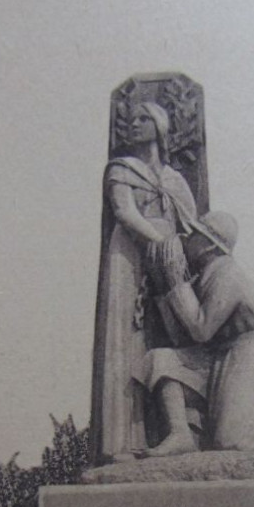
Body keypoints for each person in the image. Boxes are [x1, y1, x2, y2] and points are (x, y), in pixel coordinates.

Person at [141, 211, 254, 457]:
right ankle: (180, 434)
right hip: (215, 354)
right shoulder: (204, 275)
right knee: (160, 360)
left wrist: (176, 282)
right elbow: (180, 338)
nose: (187, 238)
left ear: (208, 244)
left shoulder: (228, 275)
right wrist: (163, 285)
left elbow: (200, 329)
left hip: (246, 356)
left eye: (194, 234)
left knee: (231, 442)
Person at [90, 101, 198, 463]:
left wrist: (176, 256)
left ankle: (182, 431)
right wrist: (159, 242)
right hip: (130, 259)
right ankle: (121, 444)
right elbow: (125, 212)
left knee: (172, 338)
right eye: (131, 119)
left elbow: (192, 226)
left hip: (168, 263)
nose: (133, 125)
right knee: (127, 341)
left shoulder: (175, 180)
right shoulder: (121, 169)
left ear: (160, 126)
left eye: (143, 119)